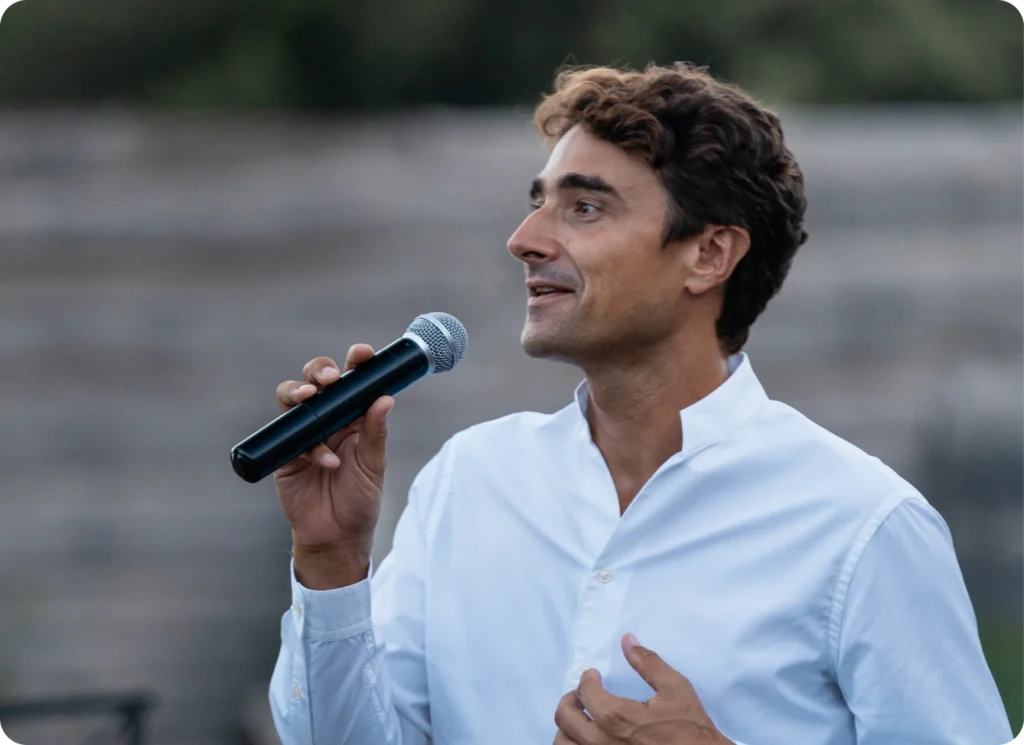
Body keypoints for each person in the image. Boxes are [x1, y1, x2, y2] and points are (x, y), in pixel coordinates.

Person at [268, 63, 1014, 745]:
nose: (525, 239)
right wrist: (331, 561)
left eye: (585, 208)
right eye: (539, 204)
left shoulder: (864, 525)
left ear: (710, 255)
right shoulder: (467, 482)